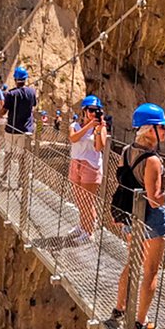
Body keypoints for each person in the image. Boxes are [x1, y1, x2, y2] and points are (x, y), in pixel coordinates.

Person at [103, 103, 165, 329]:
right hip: (151, 219)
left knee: (132, 263)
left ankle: (119, 308)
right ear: (150, 130)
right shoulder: (152, 160)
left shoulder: (126, 151)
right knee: (150, 270)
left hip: (131, 215)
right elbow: (154, 200)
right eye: (161, 127)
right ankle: (140, 321)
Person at [67, 95, 107, 243]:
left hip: (91, 166)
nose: (93, 113)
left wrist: (97, 129)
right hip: (75, 163)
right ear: (84, 110)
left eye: (96, 110)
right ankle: (83, 225)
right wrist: (88, 126)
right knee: (79, 199)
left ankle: (89, 232)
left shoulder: (100, 128)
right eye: (90, 110)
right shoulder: (75, 126)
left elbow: (99, 147)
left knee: (87, 200)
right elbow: (73, 138)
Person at [0, 66, 38, 189]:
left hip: (11, 128)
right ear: (25, 79)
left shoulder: (11, 94)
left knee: (8, 153)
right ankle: (21, 180)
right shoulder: (32, 92)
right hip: (25, 130)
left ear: (15, 79)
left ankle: (5, 175)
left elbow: (5, 110)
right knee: (22, 156)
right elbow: (33, 106)